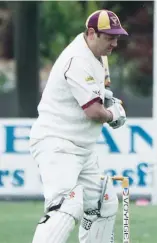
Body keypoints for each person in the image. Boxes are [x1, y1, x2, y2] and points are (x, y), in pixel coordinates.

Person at [29, 9, 128, 243]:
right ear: (92, 33)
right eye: (109, 37)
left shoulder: (98, 55)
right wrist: (114, 113)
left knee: (103, 204)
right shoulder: (77, 60)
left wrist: (108, 100)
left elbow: (97, 96)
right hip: (58, 144)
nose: (114, 43)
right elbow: (94, 112)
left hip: (83, 149)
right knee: (65, 206)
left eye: (117, 37)